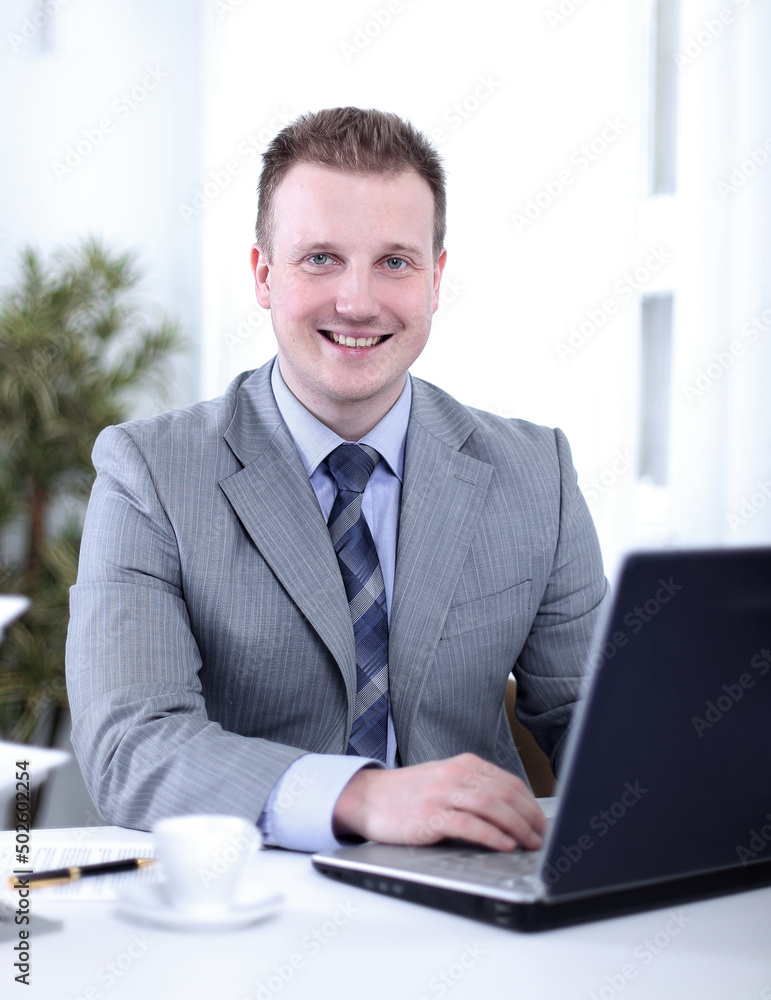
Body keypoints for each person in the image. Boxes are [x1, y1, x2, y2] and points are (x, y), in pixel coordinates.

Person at [66, 107, 608, 854]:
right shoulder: (148, 475)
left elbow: (596, 720)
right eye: (320, 258)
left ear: (435, 279)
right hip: (246, 905)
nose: (357, 302)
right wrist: (361, 794)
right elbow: (130, 749)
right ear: (263, 275)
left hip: (481, 904)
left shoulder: (534, 474)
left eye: (394, 262)